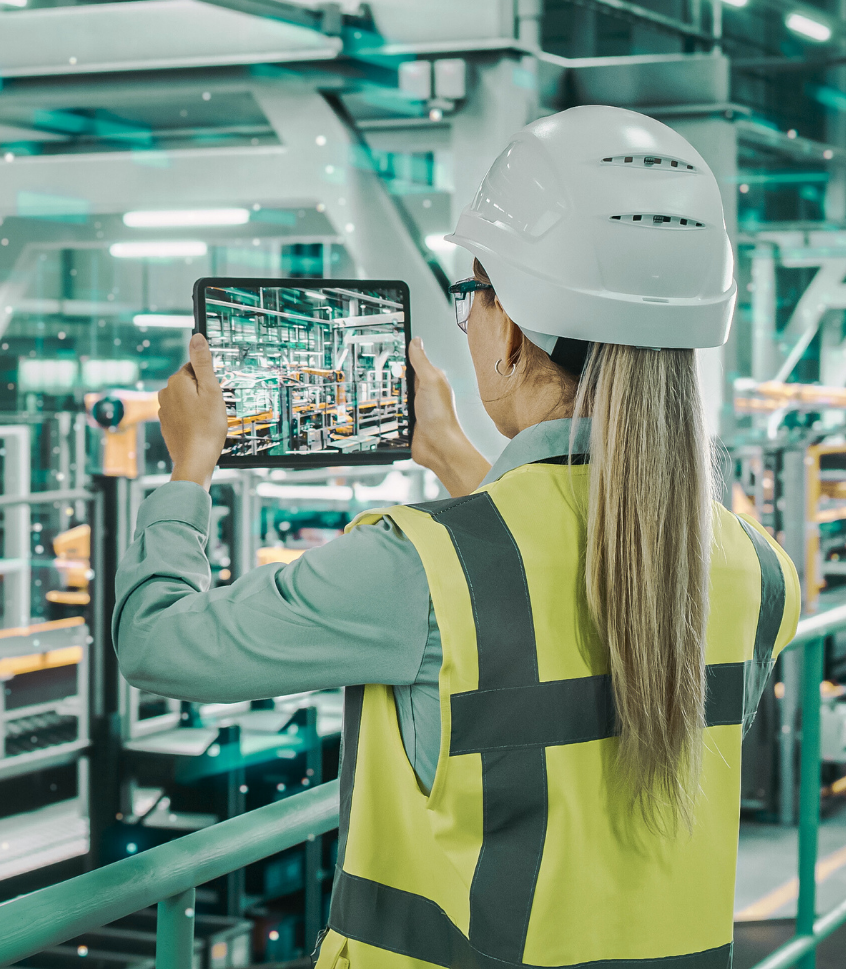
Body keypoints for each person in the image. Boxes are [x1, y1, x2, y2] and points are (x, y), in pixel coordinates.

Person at [114, 106, 800, 968]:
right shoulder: (761, 573)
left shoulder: (414, 568)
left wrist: (187, 472)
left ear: (511, 326)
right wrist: (448, 451)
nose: (466, 320)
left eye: (469, 294)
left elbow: (160, 645)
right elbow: (573, 569)